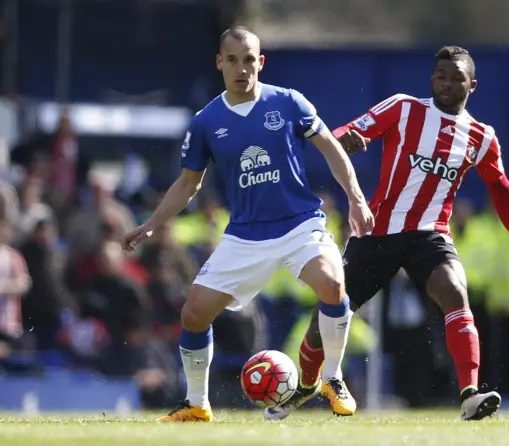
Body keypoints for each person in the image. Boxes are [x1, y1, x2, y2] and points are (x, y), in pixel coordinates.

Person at [265, 46, 509, 422]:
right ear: (432, 78)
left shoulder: (481, 137)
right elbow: (348, 132)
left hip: (430, 236)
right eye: (440, 76)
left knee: (454, 291)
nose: (446, 84)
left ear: (473, 85)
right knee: (328, 316)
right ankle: (305, 387)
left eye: (456, 79)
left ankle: (469, 394)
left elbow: (501, 189)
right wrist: (349, 139)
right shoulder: (403, 108)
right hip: (377, 233)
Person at [121, 26, 374, 422]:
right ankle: (197, 403)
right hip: (245, 236)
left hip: (299, 225)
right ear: (220, 63)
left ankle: (333, 378)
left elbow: (332, 149)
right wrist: (153, 223)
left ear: (261, 62)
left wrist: (356, 198)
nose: (243, 68)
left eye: (249, 59)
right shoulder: (206, 121)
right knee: (193, 314)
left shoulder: (289, 102)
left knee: (332, 282)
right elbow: (189, 183)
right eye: (233, 60)